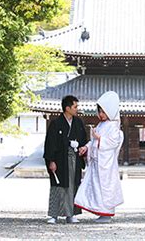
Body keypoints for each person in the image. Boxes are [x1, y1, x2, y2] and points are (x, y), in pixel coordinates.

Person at [75, 91, 124, 223]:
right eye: (99, 111)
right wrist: (87, 147)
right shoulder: (102, 125)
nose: (100, 115)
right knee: (96, 187)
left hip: (106, 164)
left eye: (103, 112)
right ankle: (101, 211)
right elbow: (94, 142)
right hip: (98, 162)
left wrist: (99, 138)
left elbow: (113, 142)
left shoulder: (114, 126)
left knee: (105, 187)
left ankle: (106, 212)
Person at [43, 95, 87, 224]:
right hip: (60, 159)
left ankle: (71, 214)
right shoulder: (56, 123)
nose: (77, 109)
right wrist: (51, 160)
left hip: (74, 158)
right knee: (58, 186)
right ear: (67, 108)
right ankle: (53, 214)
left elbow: (83, 140)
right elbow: (50, 143)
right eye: (75, 106)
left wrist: (82, 147)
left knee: (73, 185)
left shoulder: (78, 122)